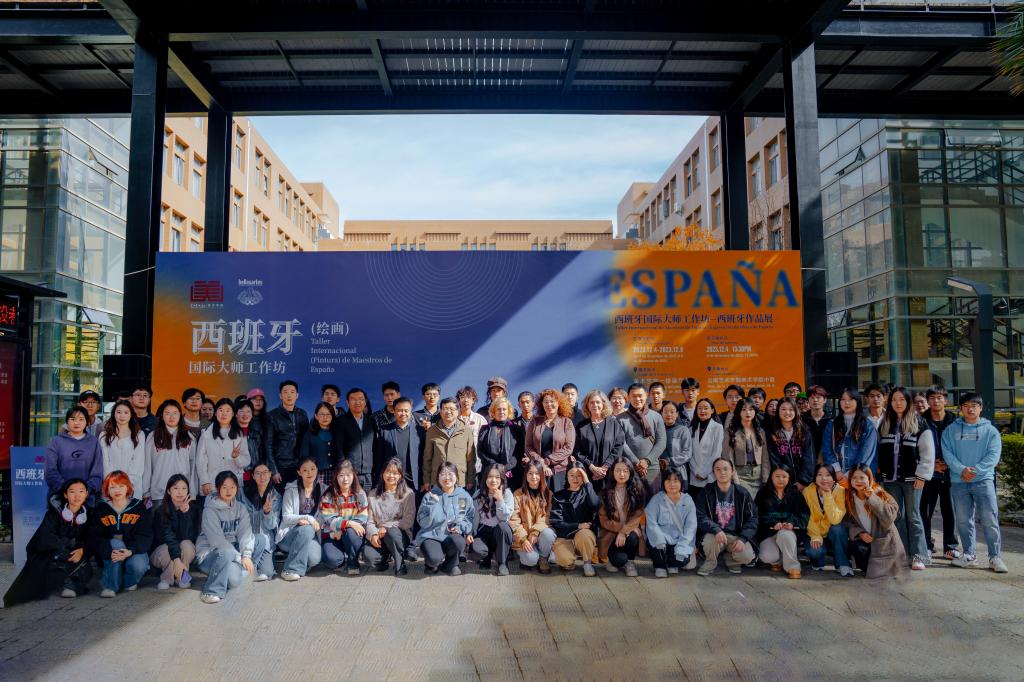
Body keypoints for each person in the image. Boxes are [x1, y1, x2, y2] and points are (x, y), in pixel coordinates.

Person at [943, 393, 1008, 573]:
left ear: (981, 408)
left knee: (989, 519)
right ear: (961, 408)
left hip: (983, 481)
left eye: (974, 405)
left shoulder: (991, 431)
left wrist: (975, 471)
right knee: (964, 521)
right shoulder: (951, 430)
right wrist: (962, 470)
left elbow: (993, 456)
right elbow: (947, 453)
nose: (970, 409)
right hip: (959, 481)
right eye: (966, 405)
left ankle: (995, 557)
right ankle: (969, 555)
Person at [3, 478, 93, 605]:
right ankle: (64, 581)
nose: (77, 496)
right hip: (53, 552)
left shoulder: (91, 514)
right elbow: (45, 538)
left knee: (85, 565)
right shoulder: (53, 514)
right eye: (72, 491)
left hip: (76, 552)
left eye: (81, 491)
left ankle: (69, 584)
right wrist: (67, 545)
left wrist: (83, 550)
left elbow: (93, 537)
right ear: (65, 495)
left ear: (86, 494)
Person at [877, 386, 934, 571]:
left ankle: (919, 556)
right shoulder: (885, 423)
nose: (898, 403)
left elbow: (927, 453)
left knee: (914, 517)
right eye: (894, 400)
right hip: (890, 480)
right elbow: (878, 450)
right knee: (897, 517)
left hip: (912, 479)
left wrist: (922, 476)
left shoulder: (919, 423)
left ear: (908, 402)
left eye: (902, 399)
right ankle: (902, 555)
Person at [196, 471, 255, 604]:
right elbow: (217, 541)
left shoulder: (240, 508)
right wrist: (240, 558)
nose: (229, 491)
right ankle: (211, 591)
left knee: (259, 540)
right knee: (232, 574)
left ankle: (239, 569)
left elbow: (245, 532)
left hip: (232, 553)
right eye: (224, 487)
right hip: (210, 554)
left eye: (232, 487)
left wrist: (246, 555)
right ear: (217, 488)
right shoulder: (209, 510)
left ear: (237, 488)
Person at [94, 470, 153, 597]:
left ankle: (127, 582)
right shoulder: (101, 508)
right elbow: (95, 536)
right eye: (112, 487)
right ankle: (110, 586)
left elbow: (145, 535)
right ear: (107, 490)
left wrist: (130, 551)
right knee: (116, 543)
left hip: (134, 551)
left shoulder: (138, 507)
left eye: (121, 486)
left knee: (139, 565)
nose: (117, 490)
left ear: (128, 487)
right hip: (111, 553)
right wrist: (107, 551)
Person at [696, 458, 758, 576]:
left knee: (747, 556)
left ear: (732, 471)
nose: (722, 472)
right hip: (715, 535)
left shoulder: (742, 493)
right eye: (718, 469)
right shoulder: (706, 492)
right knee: (709, 540)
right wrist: (716, 529)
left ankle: (732, 560)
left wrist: (743, 538)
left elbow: (752, 519)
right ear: (713, 473)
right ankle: (710, 562)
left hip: (735, 535)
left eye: (725, 469)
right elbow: (700, 515)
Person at [845, 464, 907, 579]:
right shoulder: (849, 497)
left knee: (881, 573)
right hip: (867, 541)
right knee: (854, 546)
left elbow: (888, 519)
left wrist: (872, 498)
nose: (858, 481)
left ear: (869, 479)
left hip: (884, 543)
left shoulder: (881, 494)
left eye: (862, 477)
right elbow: (848, 521)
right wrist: (860, 533)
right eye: (854, 478)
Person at [921, 385, 960, 561]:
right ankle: (927, 546)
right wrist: (931, 466)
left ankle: (950, 547)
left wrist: (949, 464)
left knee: (950, 511)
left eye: (939, 397)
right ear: (928, 401)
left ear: (946, 400)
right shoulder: (921, 421)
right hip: (928, 475)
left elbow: (960, 447)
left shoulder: (955, 422)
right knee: (925, 512)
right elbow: (916, 447)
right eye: (932, 398)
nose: (936, 401)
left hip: (950, 474)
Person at [416, 461, 474, 576]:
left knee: (459, 542)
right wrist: (434, 504)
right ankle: (431, 564)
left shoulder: (462, 496)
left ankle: (450, 564)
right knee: (434, 558)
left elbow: (467, 517)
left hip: (450, 536)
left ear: (457, 477)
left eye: (450, 474)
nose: (447, 478)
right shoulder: (430, 496)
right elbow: (422, 522)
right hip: (431, 535)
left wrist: (460, 527)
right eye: (442, 474)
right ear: (438, 478)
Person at [754, 464, 809, 579]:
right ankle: (778, 561)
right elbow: (757, 515)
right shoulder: (763, 494)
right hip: (768, 533)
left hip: (788, 533)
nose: (780, 479)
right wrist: (773, 523)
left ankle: (793, 566)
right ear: (771, 477)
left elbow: (804, 514)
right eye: (777, 476)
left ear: (789, 478)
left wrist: (792, 523)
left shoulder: (796, 494)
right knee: (767, 556)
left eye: (784, 476)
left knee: (784, 534)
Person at [364, 457, 416, 575]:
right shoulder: (373, 494)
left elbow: (408, 521)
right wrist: (373, 534)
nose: (391, 476)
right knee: (369, 557)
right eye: (388, 471)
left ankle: (400, 562)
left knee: (392, 533)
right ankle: (385, 559)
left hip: (399, 535)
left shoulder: (408, 494)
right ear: (382, 473)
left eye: (395, 473)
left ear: (400, 476)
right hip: (379, 535)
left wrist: (386, 527)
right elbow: (369, 520)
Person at [150, 474, 202, 590]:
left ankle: (181, 578)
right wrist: (177, 559)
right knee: (166, 549)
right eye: (176, 488)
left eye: (184, 488)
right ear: (169, 491)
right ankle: (167, 579)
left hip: (183, 550)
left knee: (187, 544)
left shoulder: (194, 509)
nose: (180, 492)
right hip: (162, 552)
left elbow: (189, 536)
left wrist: (184, 515)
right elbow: (167, 537)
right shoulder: (161, 511)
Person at [277, 457, 325, 580]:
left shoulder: (323, 489)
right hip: (289, 534)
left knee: (314, 559)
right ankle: (289, 570)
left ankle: (299, 563)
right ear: (299, 472)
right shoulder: (291, 489)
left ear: (317, 470)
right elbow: (286, 517)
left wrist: (315, 522)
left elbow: (323, 516)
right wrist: (307, 519)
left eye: (313, 469)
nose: (309, 473)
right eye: (305, 470)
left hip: (310, 535)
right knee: (307, 529)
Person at [143, 399, 197, 508]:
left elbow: (193, 466)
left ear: (180, 415)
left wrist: (193, 491)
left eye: (175, 413)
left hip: (182, 493)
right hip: (159, 492)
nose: (171, 417)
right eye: (167, 413)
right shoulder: (153, 436)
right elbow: (147, 465)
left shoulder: (188, 437)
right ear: (162, 416)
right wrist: (146, 491)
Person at [597, 456, 646, 576]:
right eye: (618, 470)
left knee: (634, 535)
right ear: (612, 472)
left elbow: (637, 515)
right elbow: (604, 521)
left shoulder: (636, 490)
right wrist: (622, 529)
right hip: (611, 534)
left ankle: (630, 562)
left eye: (625, 470)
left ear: (630, 472)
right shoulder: (604, 493)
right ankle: (613, 560)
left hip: (629, 532)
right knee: (619, 560)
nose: (622, 474)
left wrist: (625, 531)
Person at [319, 459, 369, 576]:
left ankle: (353, 562)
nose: (345, 479)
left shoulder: (360, 494)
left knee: (352, 533)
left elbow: (363, 517)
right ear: (336, 476)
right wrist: (348, 524)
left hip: (351, 534)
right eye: (341, 475)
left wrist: (345, 527)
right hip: (333, 535)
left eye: (348, 475)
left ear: (353, 476)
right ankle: (340, 560)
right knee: (332, 560)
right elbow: (329, 519)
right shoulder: (328, 495)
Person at [644, 467, 697, 578]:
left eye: (675, 480)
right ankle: (660, 566)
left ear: (681, 483)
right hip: (661, 539)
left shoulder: (688, 501)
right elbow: (651, 523)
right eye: (668, 480)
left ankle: (672, 564)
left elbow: (691, 526)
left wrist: (683, 545)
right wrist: (659, 539)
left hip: (679, 539)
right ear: (663, 483)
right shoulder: (657, 499)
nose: (672, 484)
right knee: (655, 543)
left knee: (681, 559)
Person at [45, 406, 103, 504]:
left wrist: (84, 491)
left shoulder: (93, 442)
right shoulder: (56, 441)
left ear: (87, 422)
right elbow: (50, 471)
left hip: (87, 499)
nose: (76, 422)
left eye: (81, 419)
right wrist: (66, 490)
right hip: (60, 497)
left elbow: (97, 472)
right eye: (73, 419)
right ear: (67, 421)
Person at [550, 464, 600, 576]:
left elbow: (595, 505)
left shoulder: (587, 493)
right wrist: (577, 525)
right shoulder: (558, 495)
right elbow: (556, 522)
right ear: (566, 477)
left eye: (579, 475)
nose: (575, 479)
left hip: (583, 536)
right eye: (571, 475)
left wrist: (587, 483)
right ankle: (570, 558)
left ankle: (587, 563)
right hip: (565, 536)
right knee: (565, 561)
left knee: (585, 534)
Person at [803, 465, 852, 576]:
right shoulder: (807, 491)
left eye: (828, 475)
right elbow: (807, 517)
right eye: (820, 475)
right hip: (814, 533)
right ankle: (817, 560)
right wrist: (815, 536)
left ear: (833, 478)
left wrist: (827, 494)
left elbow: (835, 519)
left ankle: (842, 564)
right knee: (815, 554)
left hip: (832, 533)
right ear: (815, 477)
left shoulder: (840, 491)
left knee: (838, 529)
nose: (824, 478)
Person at [196, 398, 250, 498]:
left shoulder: (239, 434)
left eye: (228, 411)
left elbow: (246, 461)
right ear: (215, 413)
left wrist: (236, 457)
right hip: (212, 483)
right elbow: (200, 460)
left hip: (233, 485)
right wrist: (204, 480)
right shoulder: (206, 434)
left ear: (233, 414)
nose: (224, 414)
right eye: (221, 410)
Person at [575, 389, 626, 493]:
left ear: (603, 404)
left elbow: (619, 446)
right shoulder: (581, 426)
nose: (595, 405)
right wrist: (592, 467)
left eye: (598, 402)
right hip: (588, 475)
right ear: (587, 405)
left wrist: (605, 467)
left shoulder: (613, 424)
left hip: (610, 473)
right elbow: (577, 451)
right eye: (592, 402)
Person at [526, 388, 576, 492]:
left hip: (560, 471)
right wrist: (541, 462)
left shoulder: (567, 422)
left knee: (559, 500)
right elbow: (528, 446)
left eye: (552, 401)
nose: (549, 404)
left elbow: (568, 448)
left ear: (558, 403)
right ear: (542, 404)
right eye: (546, 402)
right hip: (538, 471)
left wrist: (547, 461)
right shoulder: (534, 422)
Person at [618, 382, 667, 487]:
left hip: (652, 468)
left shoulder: (656, 416)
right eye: (634, 396)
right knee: (632, 497)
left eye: (640, 395)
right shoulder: (620, 419)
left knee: (653, 497)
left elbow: (662, 442)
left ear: (646, 395)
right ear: (628, 397)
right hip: (629, 468)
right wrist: (636, 462)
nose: (637, 399)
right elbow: (621, 443)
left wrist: (647, 461)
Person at [511, 461, 556, 573]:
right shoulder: (518, 494)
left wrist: (535, 532)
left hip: (539, 535)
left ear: (542, 475)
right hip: (524, 536)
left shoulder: (548, 494)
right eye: (530, 473)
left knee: (548, 533)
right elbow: (514, 520)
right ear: (525, 475)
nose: (534, 477)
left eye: (537, 473)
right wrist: (523, 539)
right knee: (531, 560)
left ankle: (543, 558)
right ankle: (528, 555)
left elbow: (546, 516)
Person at [821, 388, 877, 478]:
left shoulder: (867, 425)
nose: (846, 403)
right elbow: (827, 450)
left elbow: (866, 453)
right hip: (837, 476)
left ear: (857, 401)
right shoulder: (832, 424)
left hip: (859, 477)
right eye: (843, 399)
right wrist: (837, 471)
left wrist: (851, 474)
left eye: (851, 399)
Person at [471, 463, 515, 575]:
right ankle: (487, 558)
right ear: (485, 478)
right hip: (483, 530)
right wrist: (472, 533)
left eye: (497, 477)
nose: (493, 480)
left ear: (502, 478)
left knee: (503, 527)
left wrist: (500, 500)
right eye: (490, 477)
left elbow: (504, 518)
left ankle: (502, 563)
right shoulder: (478, 494)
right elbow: (474, 516)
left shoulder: (507, 494)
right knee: (477, 551)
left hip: (499, 531)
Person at [263, 380, 309, 488]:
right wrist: (274, 470)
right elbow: (268, 445)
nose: (289, 395)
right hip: (280, 466)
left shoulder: (302, 414)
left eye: (292, 392)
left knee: (297, 495)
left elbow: (306, 441)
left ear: (297, 395)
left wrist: (305, 465)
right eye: (285, 392)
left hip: (298, 465)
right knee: (280, 495)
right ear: (280, 395)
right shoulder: (272, 416)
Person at [423, 397, 477, 490]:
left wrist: (470, 480)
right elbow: (427, 458)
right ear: (440, 411)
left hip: (460, 480)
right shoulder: (432, 431)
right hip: (438, 480)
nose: (448, 412)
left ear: (458, 411)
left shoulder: (466, 430)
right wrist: (427, 480)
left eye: (452, 409)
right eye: (445, 409)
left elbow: (471, 459)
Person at [240, 462, 281, 581]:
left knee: (267, 573)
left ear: (270, 474)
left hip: (266, 543)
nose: (262, 477)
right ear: (253, 476)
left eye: (265, 473)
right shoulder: (243, 493)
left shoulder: (275, 496)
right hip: (246, 539)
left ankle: (252, 567)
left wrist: (267, 513)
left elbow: (272, 526)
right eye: (258, 473)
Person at [477, 397, 525, 491]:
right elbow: (481, 451)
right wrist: (495, 466)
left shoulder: (517, 429)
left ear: (508, 411)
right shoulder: (485, 429)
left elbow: (519, 452)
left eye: (504, 409)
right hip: (489, 473)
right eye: (498, 409)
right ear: (493, 411)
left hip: (511, 473)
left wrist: (505, 467)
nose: (501, 412)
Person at [766, 397, 815, 489]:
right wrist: (782, 480)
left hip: (804, 484)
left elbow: (809, 457)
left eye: (791, 409)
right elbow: (773, 460)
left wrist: (803, 481)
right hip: (781, 483)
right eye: (783, 409)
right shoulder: (772, 432)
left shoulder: (804, 430)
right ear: (778, 411)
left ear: (796, 411)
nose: (787, 412)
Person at [333, 387, 376, 491]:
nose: (357, 402)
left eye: (361, 399)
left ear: (365, 402)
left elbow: (375, 446)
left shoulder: (371, 421)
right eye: (353, 399)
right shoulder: (340, 421)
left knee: (367, 500)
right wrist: (343, 469)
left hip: (368, 473)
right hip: (349, 473)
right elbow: (338, 447)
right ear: (347, 402)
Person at [100, 400, 146, 495]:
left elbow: (138, 462)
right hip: (110, 486)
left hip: (132, 486)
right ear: (114, 414)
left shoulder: (139, 435)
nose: (122, 416)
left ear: (131, 415)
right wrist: (113, 483)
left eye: (126, 412)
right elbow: (104, 461)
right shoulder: (104, 435)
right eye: (119, 412)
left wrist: (126, 484)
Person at [376, 396, 422, 492]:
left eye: (406, 411)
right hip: (391, 479)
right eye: (400, 410)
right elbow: (379, 457)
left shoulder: (419, 430)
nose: (403, 413)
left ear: (411, 411)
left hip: (413, 480)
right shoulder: (384, 430)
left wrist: (424, 481)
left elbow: (423, 457)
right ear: (394, 411)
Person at [722, 397, 767, 492]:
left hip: (758, 474)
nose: (748, 412)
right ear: (739, 412)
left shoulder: (760, 431)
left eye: (751, 409)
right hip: (740, 475)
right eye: (744, 409)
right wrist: (735, 479)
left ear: (755, 411)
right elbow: (728, 457)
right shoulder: (730, 432)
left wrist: (765, 478)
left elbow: (765, 456)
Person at [688, 398, 723, 497]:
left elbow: (716, 453)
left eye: (706, 408)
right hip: (694, 475)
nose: (702, 411)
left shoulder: (718, 428)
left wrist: (704, 473)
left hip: (710, 475)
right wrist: (696, 472)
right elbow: (689, 454)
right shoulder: (691, 429)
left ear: (712, 410)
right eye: (699, 408)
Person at [301, 401, 336, 486]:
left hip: (336, 473)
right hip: (316, 474)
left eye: (328, 414)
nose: (325, 417)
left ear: (332, 416)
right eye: (322, 414)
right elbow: (304, 456)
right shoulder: (309, 434)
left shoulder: (337, 433)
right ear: (316, 416)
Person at [802, 385, 830, 456]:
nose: (815, 400)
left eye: (818, 397)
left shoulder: (831, 420)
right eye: (812, 398)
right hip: (806, 458)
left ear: (825, 400)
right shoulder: (801, 419)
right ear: (808, 400)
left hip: (826, 458)